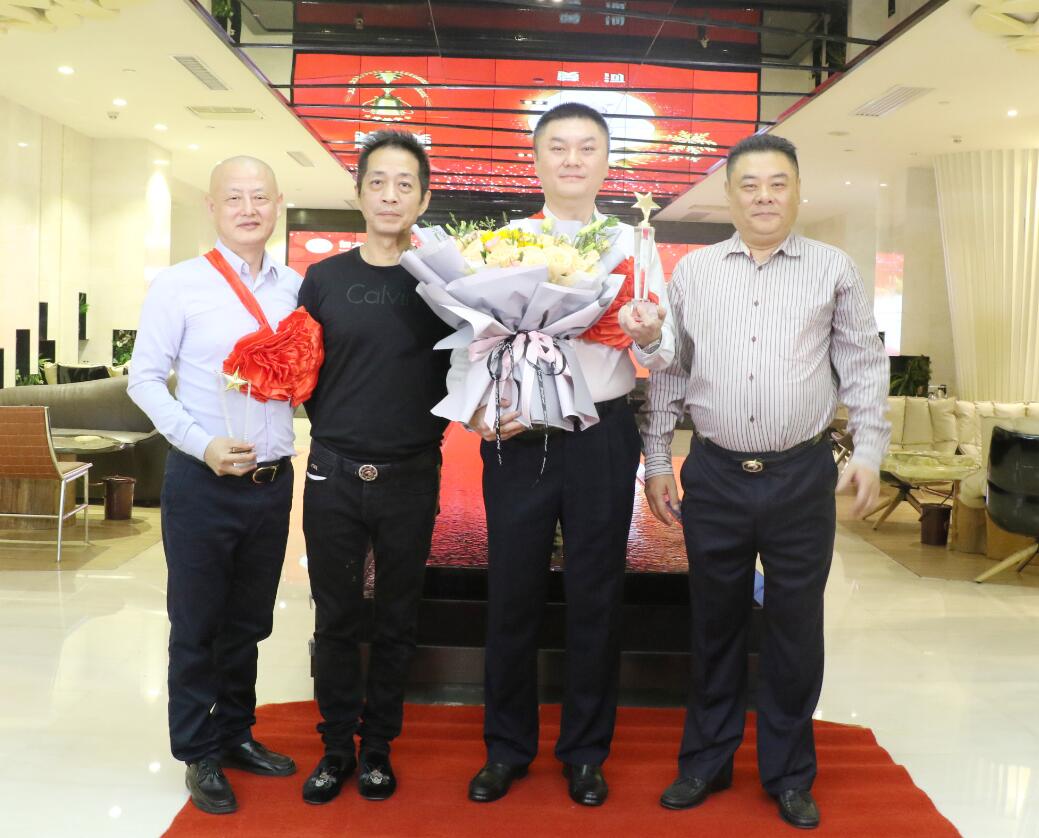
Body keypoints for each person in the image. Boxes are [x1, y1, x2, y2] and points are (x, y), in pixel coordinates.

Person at [642, 133, 890, 830]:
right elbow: (670, 372)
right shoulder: (693, 273)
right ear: (728, 195)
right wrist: (657, 460)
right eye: (748, 185)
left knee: (794, 628)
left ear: (797, 191)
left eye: (777, 183)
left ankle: (788, 773)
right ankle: (706, 760)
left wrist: (870, 451)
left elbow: (863, 365)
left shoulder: (832, 269)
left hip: (800, 475)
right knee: (714, 622)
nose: (763, 197)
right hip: (715, 474)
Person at [461, 101, 675, 807]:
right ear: (537, 159)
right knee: (510, 594)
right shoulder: (504, 243)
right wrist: (484, 413)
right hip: (521, 438)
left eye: (587, 147)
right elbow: (475, 345)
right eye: (558, 147)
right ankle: (506, 748)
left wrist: (648, 335)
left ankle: (586, 752)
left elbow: (665, 353)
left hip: (602, 435)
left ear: (607, 162)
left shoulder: (633, 244)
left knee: (596, 596)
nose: (573, 159)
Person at [128, 157, 302, 815]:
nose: (248, 209)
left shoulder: (296, 288)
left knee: (248, 623)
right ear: (212, 206)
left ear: (278, 203)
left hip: (271, 482)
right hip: (202, 481)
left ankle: (235, 734)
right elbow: (144, 378)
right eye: (235, 198)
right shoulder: (179, 285)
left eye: (260, 197)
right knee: (197, 623)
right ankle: (197, 751)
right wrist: (201, 443)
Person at [298, 131, 452, 804]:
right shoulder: (323, 279)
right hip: (332, 472)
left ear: (423, 198)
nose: (391, 195)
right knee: (335, 618)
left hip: (411, 474)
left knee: (396, 618)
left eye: (405, 184)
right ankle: (336, 747)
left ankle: (379, 748)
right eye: (378, 182)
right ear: (358, 193)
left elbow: (467, 371)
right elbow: (300, 369)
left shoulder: (443, 284)